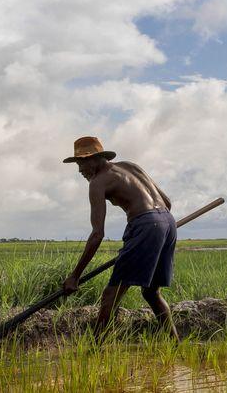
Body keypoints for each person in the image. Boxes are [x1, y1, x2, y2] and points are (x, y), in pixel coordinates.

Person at [61, 136, 179, 340]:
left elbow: (97, 234)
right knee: (151, 293)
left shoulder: (98, 183)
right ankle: (176, 345)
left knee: (110, 294)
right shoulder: (131, 167)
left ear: (95, 158)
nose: (79, 170)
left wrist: (75, 276)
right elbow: (166, 202)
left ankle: (94, 353)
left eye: (82, 162)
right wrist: (156, 228)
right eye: (78, 163)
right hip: (168, 222)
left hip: (146, 224)